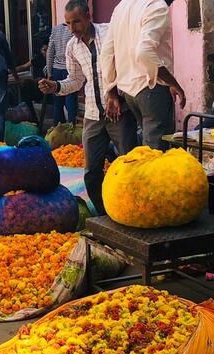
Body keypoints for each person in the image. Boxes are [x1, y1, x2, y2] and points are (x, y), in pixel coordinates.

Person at [40, 0, 136, 216]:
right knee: (92, 173)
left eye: (76, 22)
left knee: (129, 167)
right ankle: (105, 216)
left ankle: (131, 212)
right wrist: (56, 86)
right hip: (93, 114)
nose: (72, 29)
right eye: (68, 24)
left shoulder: (109, 32)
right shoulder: (72, 46)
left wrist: (119, 96)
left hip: (119, 112)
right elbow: (75, 80)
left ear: (88, 16)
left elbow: (128, 65)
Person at [100, 0, 185, 150]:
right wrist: (173, 82)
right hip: (151, 89)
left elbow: (107, 52)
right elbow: (144, 52)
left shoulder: (122, 6)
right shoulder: (157, 6)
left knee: (142, 149)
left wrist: (111, 90)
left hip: (128, 91)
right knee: (156, 152)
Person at [46, 22, 78, 124]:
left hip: (56, 70)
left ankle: (58, 129)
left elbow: (50, 51)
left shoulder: (55, 29)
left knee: (57, 104)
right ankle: (72, 129)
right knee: (71, 102)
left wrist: (49, 72)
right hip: (70, 69)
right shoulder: (74, 29)